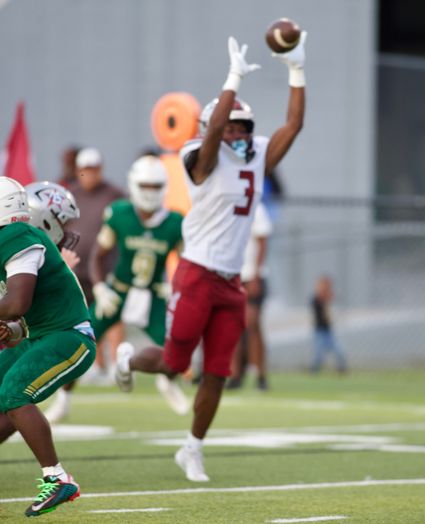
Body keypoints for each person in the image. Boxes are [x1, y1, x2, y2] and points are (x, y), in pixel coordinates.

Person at [122, 33, 306, 483]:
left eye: (245, 127)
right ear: (212, 127)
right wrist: (232, 80)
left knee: (219, 372)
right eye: (231, 126)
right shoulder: (198, 155)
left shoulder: (256, 154)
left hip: (232, 281)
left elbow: (293, 126)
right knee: (173, 363)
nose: (239, 134)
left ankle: (193, 447)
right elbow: (209, 143)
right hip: (197, 273)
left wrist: (296, 69)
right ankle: (128, 359)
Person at [0, 177, 95, 518]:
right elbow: (24, 315)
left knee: (13, 394)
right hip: (43, 334)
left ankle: (57, 478)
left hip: (70, 336)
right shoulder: (7, 243)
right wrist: (9, 327)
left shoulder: (15, 235)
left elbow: (18, 301)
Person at [85, 156, 185, 410]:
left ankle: (164, 380)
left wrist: (179, 289)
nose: (150, 192)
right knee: (77, 340)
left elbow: (186, 264)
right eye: (145, 186)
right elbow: (98, 256)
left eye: (155, 186)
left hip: (154, 294)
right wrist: (99, 287)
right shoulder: (120, 213)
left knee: (178, 352)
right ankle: (63, 399)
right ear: (134, 185)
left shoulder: (175, 222)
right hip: (118, 290)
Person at [44, 146, 125, 422]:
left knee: (108, 319)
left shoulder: (114, 195)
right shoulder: (70, 196)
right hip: (74, 270)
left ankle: (114, 365)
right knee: (75, 326)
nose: (90, 174)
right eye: (86, 169)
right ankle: (79, 380)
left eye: (94, 168)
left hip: (105, 270)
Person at [227, 202, 273, 390]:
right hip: (232, 275)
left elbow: (262, 241)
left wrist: (256, 273)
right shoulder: (225, 206)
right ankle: (235, 375)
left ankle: (261, 374)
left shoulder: (256, 207)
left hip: (251, 276)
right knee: (233, 327)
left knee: (252, 323)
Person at [310, 275, 348, 374]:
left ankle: (342, 368)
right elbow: (320, 308)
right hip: (319, 331)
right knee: (318, 353)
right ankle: (314, 370)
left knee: (338, 350)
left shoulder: (327, 300)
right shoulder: (316, 300)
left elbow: (330, 314)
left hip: (328, 331)